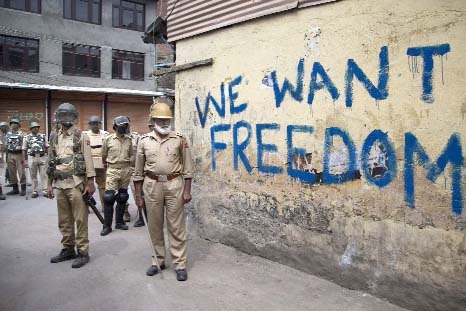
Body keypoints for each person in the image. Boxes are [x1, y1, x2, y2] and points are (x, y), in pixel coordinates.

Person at [134, 99, 194, 281]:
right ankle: (157, 260)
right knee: (154, 225)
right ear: (153, 120)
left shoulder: (180, 139)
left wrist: (187, 190)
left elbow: (188, 168)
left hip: (174, 184)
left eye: (167, 119)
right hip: (151, 186)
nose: (164, 122)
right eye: (160, 119)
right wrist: (138, 195)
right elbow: (138, 171)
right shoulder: (144, 141)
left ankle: (180, 264)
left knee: (176, 226)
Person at [47, 103, 95, 268]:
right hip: (60, 184)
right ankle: (68, 248)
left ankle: (83, 252)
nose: (65, 119)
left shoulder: (81, 136)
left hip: (76, 184)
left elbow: (88, 161)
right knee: (64, 220)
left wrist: (90, 183)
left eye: (68, 115)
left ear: (74, 117)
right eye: (63, 115)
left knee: (80, 219)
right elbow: (50, 160)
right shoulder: (54, 136)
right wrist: (49, 183)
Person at [100, 116, 132, 236]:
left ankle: (119, 222)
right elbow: (103, 155)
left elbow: (130, 154)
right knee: (108, 198)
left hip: (125, 169)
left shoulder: (129, 140)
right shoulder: (108, 139)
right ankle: (107, 226)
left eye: (125, 126)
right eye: (121, 126)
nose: (123, 128)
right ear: (115, 126)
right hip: (113, 169)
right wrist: (107, 167)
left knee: (123, 196)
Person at [84, 116, 107, 210]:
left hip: (101, 164)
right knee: (87, 185)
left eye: (96, 123)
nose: (94, 125)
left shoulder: (105, 134)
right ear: (89, 124)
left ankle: (105, 206)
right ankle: (87, 206)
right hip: (88, 164)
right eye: (92, 123)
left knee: (103, 186)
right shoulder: (85, 135)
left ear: (99, 123)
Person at [23, 118, 48, 198]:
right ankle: (34, 191)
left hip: (42, 157)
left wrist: (48, 156)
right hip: (32, 158)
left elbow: (47, 147)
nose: (36, 128)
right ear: (31, 129)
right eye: (34, 127)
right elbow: (24, 149)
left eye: (37, 127)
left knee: (44, 175)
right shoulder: (26, 137)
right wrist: (25, 160)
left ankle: (45, 190)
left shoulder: (43, 136)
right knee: (33, 175)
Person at [6, 116, 26, 196]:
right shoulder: (8, 134)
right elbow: (5, 144)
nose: (14, 125)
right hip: (10, 154)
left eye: (16, 123)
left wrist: (25, 158)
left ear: (19, 125)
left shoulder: (22, 134)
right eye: (12, 123)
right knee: (12, 172)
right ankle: (15, 189)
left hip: (19, 154)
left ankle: (23, 188)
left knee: (21, 172)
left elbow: (25, 146)